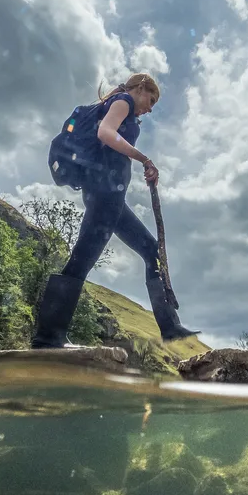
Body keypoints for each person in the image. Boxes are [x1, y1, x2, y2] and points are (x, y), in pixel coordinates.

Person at [31, 73, 197, 348]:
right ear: (140, 88)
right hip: (105, 193)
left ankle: (170, 326)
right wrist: (143, 158)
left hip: (110, 195)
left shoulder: (121, 107)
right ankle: (48, 338)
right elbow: (105, 134)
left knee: (150, 250)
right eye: (151, 99)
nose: (151, 107)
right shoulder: (122, 101)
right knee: (82, 260)